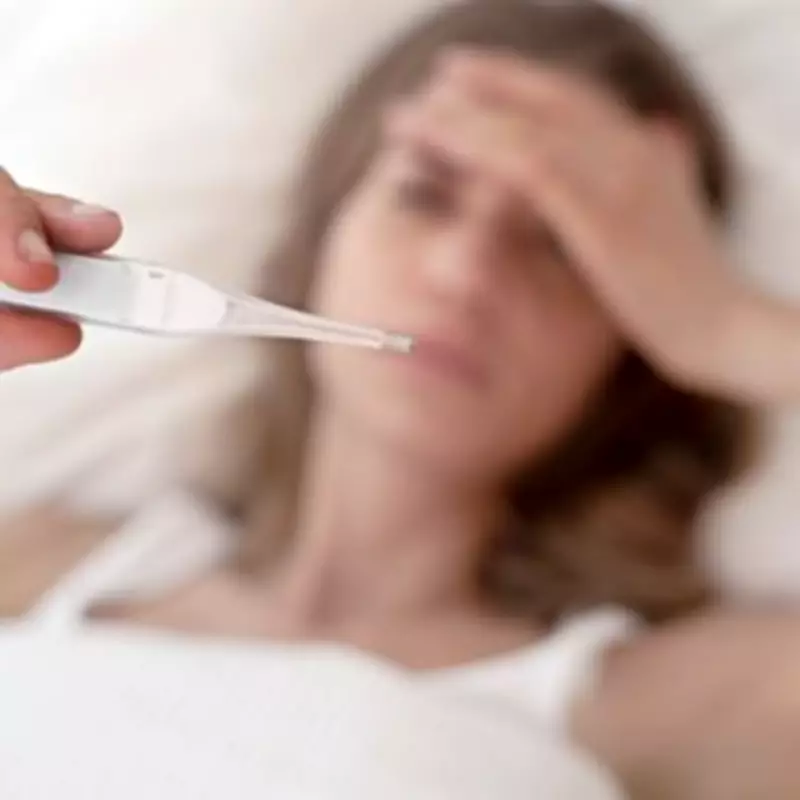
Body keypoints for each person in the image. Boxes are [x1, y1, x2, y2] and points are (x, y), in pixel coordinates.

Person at [2, 2, 800, 798]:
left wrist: (734, 328)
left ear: (634, 349)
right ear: (323, 235)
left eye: (559, 243)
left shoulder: (673, 706)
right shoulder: (50, 567)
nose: (465, 273)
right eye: (425, 193)